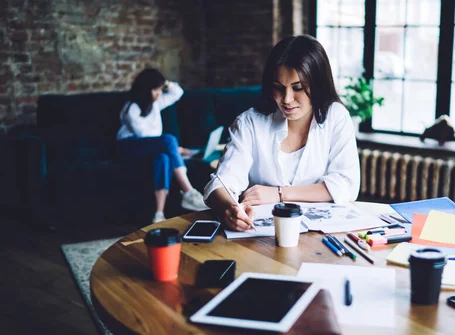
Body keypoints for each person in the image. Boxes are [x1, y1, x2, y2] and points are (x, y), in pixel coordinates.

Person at [204, 35, 360, 231]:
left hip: (320, 234)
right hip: (261, 236)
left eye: (298, 88)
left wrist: (280, 194)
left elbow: (347, 185)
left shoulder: (336, 117)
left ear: (318, 84)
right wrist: (229, 209)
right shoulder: (249, 123)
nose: (286, 99)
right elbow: (222, 183)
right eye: (278, 88)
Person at [116, 68, 207, 224]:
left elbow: (178, 93)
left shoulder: (156, 103)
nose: (159, 93)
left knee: (163, 158)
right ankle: (188, 192)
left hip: (150, 147)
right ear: (146, 90)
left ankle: (158, 214)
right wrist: (172, 148)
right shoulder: (131, 108)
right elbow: (142, 136)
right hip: (128, 147)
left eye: (160, 89)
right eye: (155, 89)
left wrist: (165, 83)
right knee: (169, 141)